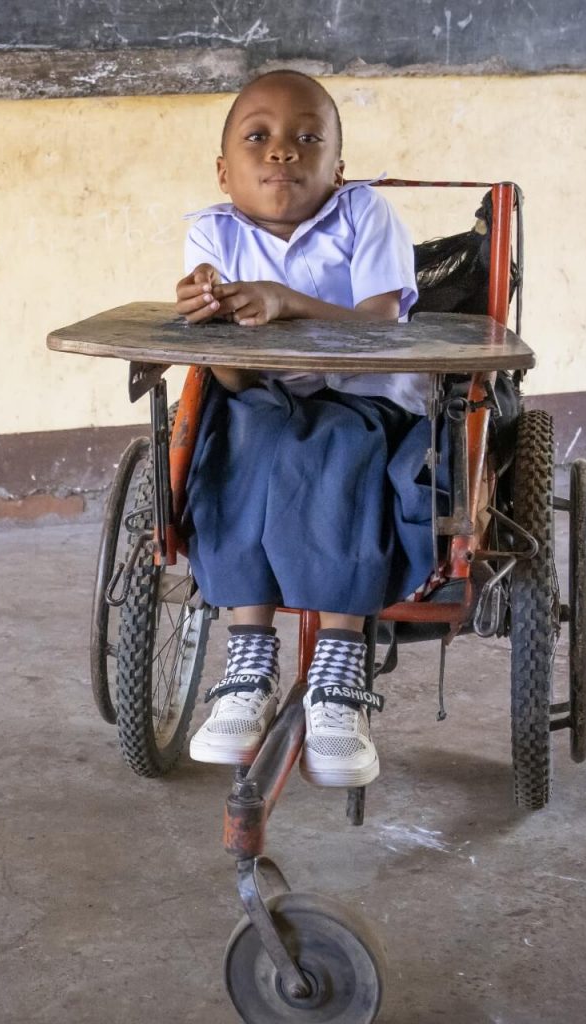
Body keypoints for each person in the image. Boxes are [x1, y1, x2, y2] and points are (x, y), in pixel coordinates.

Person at [175, 70, 437, 787]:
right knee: (236, 445)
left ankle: (338, 671)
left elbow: (385, 325)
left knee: (339, 453)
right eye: (258, 137)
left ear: (338, 168)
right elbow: (225, 376)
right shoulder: (214, 232)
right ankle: (249, 662)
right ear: (225, 170)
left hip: (367, 396)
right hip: (263, 397)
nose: (282, 152)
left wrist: (287, 302)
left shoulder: (364, 215)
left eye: (306, 138)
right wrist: (209, 321)